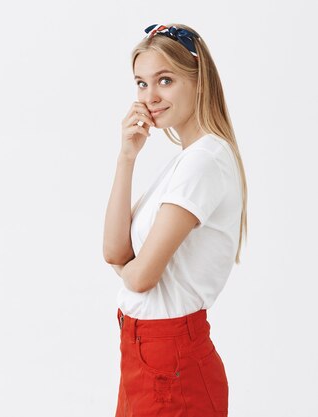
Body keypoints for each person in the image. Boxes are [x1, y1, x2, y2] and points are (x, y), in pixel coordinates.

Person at [102, 23, 248, 416]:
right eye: (141, 83)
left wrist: (128, 268)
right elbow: (114, 252)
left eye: (164, 80)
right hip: (143, 356)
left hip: (172, 362)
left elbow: (141, 276)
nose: (150, 97)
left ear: (199, 82)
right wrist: (127, 157)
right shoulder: (183, 162)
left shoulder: (205, 161)